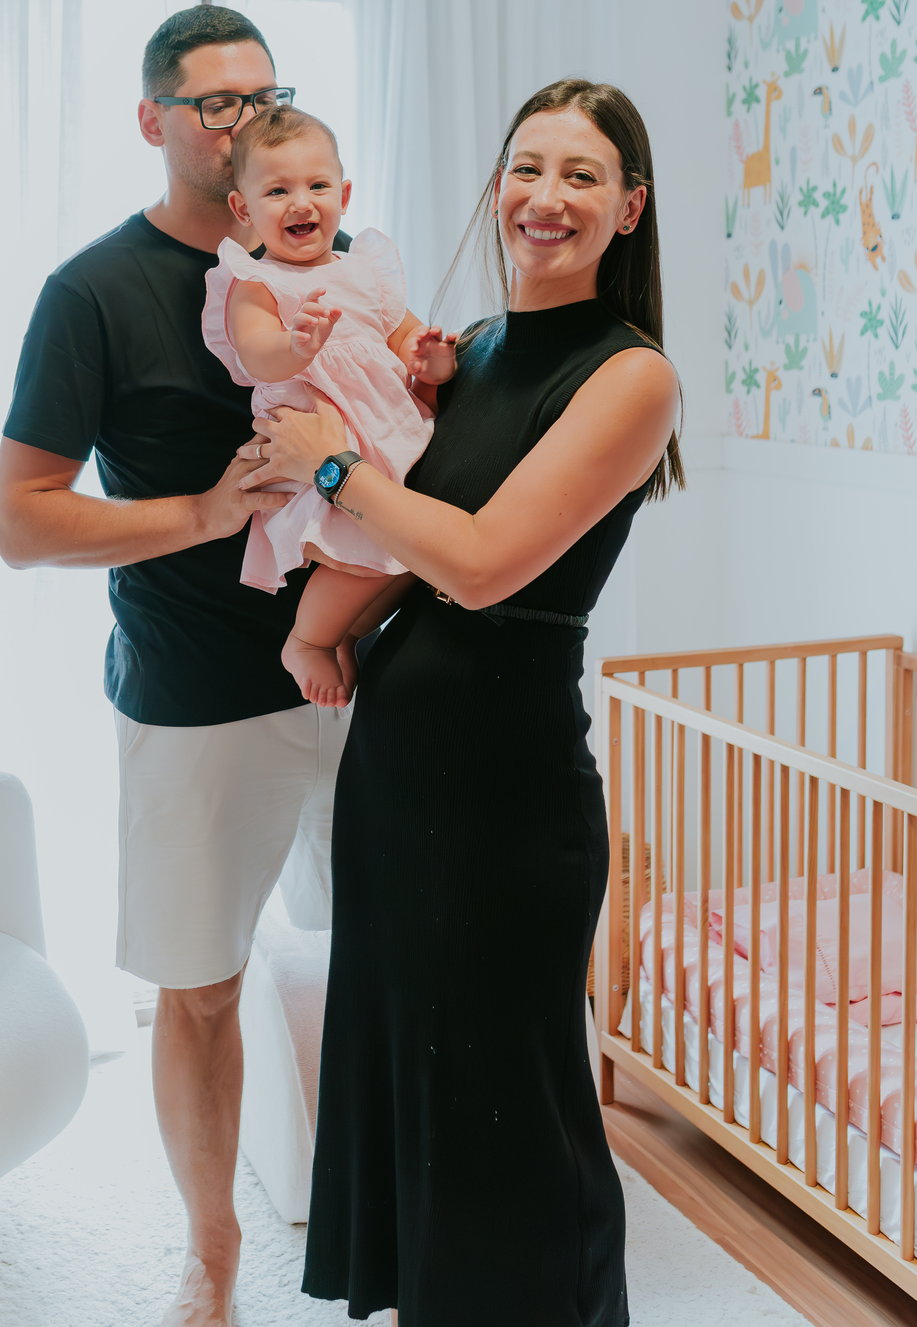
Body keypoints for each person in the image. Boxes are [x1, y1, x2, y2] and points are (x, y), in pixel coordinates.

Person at [242, 78, 683, 1326]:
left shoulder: (629, 379)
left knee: (510, 1105)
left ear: (629, 209)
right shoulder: (469, 349)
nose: (548, 198)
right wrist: (321, 626)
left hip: (507, 795)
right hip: (399, 771)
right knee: (419, 1082)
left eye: (583, 176)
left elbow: (484, 564)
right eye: (528, 168)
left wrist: (324, 461)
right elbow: (406, 552)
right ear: (499, 188)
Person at [0, 5, 355, 1327]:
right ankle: (211, 1259)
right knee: (199, 991)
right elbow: (22, 520)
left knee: (394, 951)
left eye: (268, 94)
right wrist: (206, 512)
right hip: (196, 698)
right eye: (214, 102)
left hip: (363, 677)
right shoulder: (93, 294)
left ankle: (400, 1220)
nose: (246, 120)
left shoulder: (335, 261)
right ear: (154, 122)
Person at [202, 103, 457, 706]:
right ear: (245, 209)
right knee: (358, 557)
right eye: (278, 189)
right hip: (318, 440)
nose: (302, 202)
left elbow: (404, 340)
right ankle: (309, 640)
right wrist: (294, 346)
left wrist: (432, 363)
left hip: (386, 431)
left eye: (318, 185)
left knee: (405, 551)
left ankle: (341, 632)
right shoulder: (255, 281)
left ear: (343, 194)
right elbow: (256, 354)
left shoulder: (365, 272)